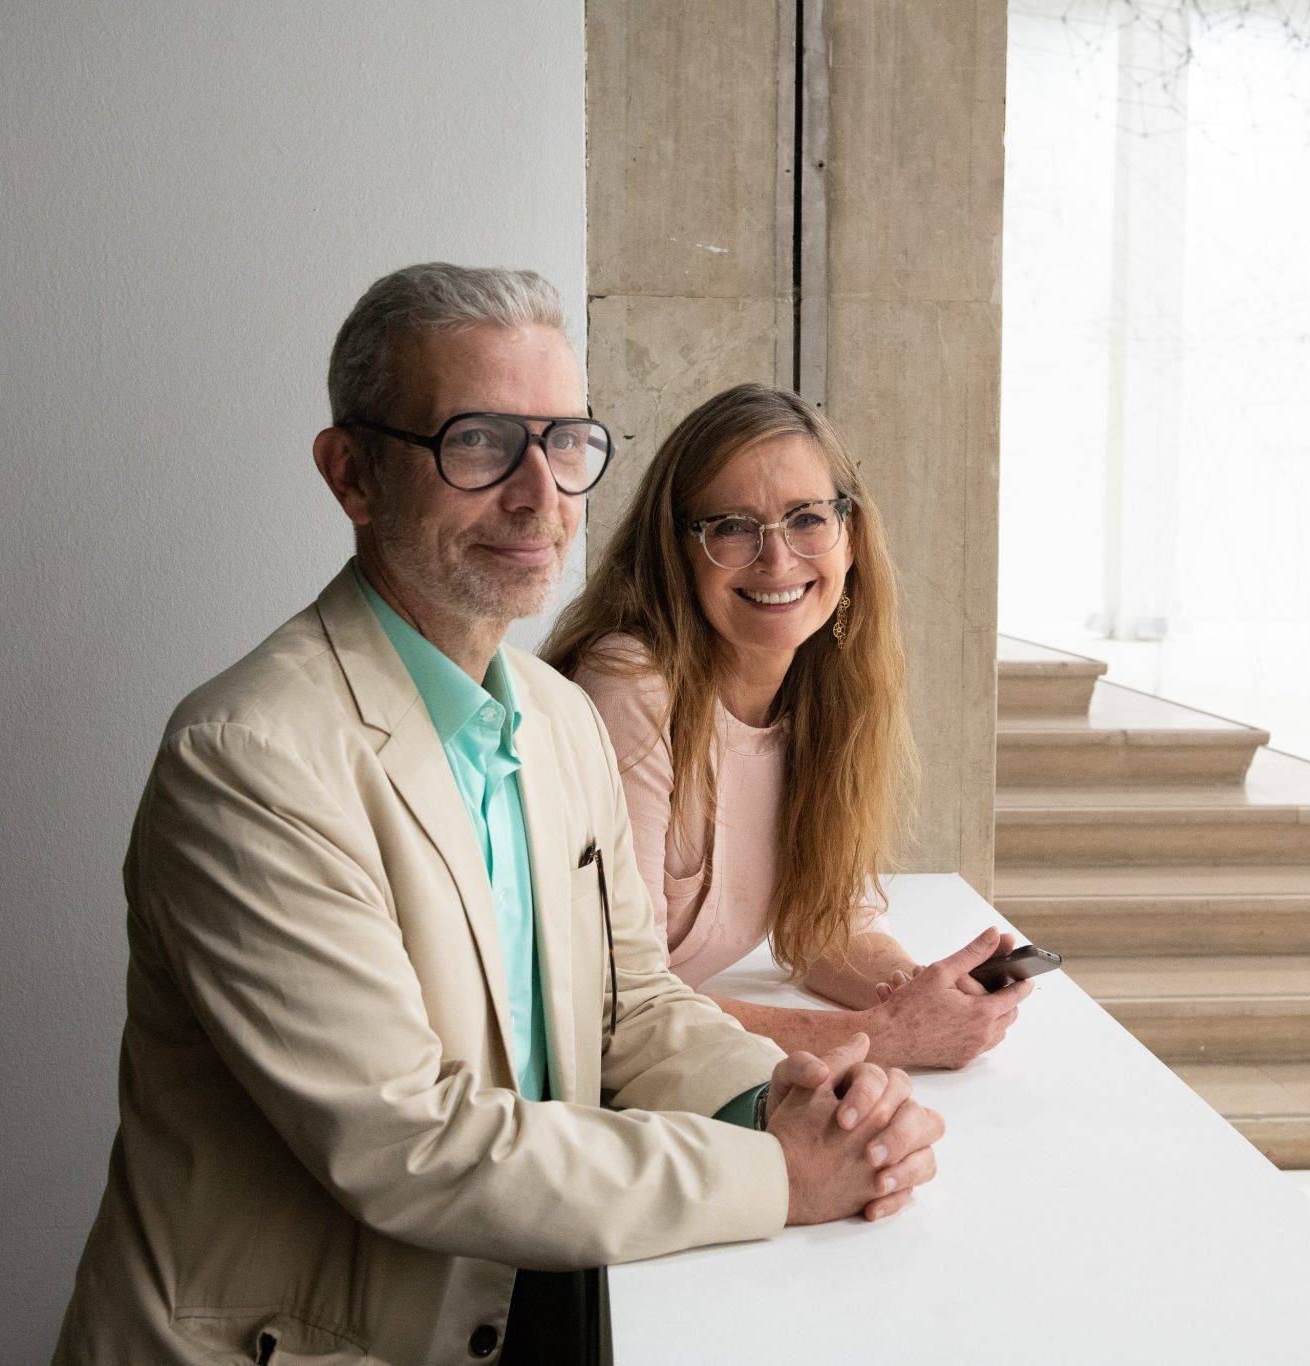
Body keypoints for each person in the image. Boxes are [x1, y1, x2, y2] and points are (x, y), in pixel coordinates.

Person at [52, 266, 946, 1366]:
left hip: (526, 1311)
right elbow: (407, 1144)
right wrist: (779, 1172)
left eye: (563, 442)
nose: (538, 496)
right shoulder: (248, 759)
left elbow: (633, 1011)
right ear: (352, 474)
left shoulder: (559, 718)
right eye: (477, 443)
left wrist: (797, 1098)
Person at [542, 384, 1031, 1072]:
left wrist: (925, 990)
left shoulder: (824, 692)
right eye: (733, 527)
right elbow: (618, 1003)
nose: (776, 560)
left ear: (850, 535)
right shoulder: (630, 682)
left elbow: (830, 927)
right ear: (676, 550)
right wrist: (889, 1037)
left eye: (806, 518)